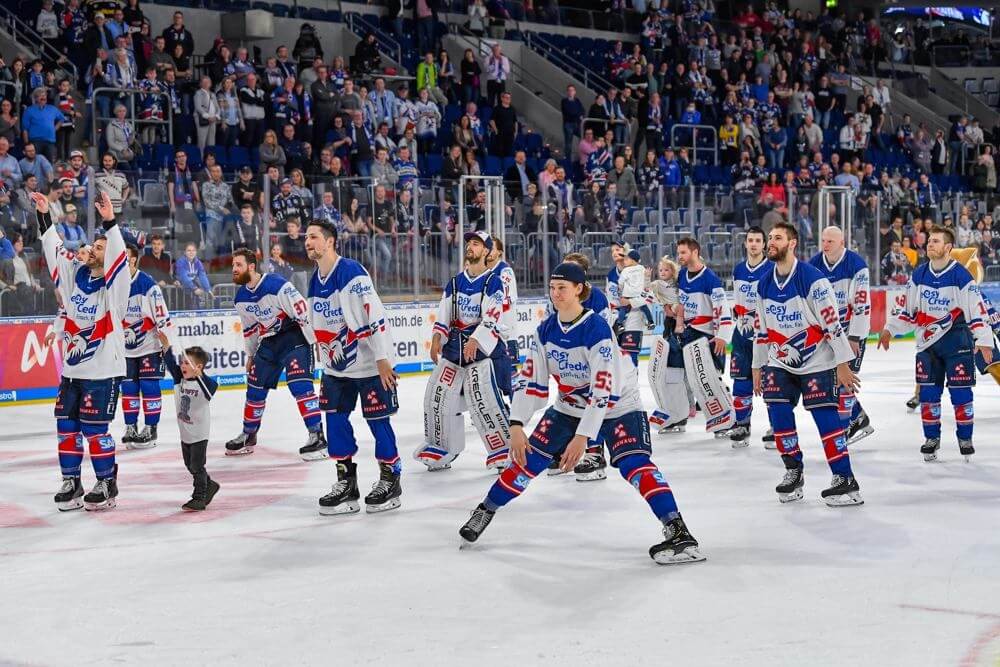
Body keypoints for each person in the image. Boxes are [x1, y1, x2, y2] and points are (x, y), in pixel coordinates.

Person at [458, 262, 705, 566]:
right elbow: (531, 381)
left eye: (562, 288)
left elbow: (603, 390)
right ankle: (485, 509)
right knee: (527, 460)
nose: (555, 294)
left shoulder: (596, 329)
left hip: (619, 406)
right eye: (552, 288)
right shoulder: (545, 330)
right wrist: (517, 423)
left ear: (579, 289)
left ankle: (678, 530)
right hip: (569, 406)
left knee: (634, 464)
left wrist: (582, 437)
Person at [752, 221, 863, 506]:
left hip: (818, 362)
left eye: (778, 238)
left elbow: (832, 323)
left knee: (826, 419)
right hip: (780, 361)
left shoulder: (813, 279)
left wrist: (842, 363)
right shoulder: (763, 284)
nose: (771, 242)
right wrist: (757, 366)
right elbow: (761, 330)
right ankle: (793, 471)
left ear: (792, 243)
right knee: (778, 414)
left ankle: (844, 478)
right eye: (770, 238)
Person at [34, 191, 128, 512]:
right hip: (73, 371)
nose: (93, 250)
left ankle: (106, 482)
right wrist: (44, 216)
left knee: (94, 430)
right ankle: (71, 481)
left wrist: (110, 222)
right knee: (66, 426)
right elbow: (55, 251)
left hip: (103, 372)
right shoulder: (76, 277)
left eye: (100, 248)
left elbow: (119, 258)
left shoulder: (115, 288)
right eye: (94, 246)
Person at [304, 219, 402, 515]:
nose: (307, 242)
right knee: (334, 421)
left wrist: (382, 358)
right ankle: (346, 483)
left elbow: (374, 313)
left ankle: (391, 479)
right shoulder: (315, 279)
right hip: (336, 369)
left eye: (313, 237)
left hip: (370, 365)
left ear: (330, 241)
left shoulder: (351, 272)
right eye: (306, 237)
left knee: (378, 422)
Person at [879, 226, 993, 462]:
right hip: (927, 344)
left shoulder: (961, 276)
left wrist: (984, 340)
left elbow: (977, 311)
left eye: (936, 241)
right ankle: (931, 439)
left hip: (957, 341)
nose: (930, 244)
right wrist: (890, 328)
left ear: (948, 247)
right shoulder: (919, 274)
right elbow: (907, 308)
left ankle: (965, 438)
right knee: (929, 394)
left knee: (961, 393)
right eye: (929, 240)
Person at [414, 231, 510, 472]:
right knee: (437, 397)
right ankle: (440, 447)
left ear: (486, 251)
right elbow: (443, 314)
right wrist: (437, 338)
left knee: (483, 400)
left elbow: (492, 316)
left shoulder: (493, 282)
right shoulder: (455, 283)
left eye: (476, 244)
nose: (470, 247)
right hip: (454, 351)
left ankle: (503, 449)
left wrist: (476, 339)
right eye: (469, 243)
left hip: (482, 354)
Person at [226, 248, 325, 460]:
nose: (234, 269)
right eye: (233, 265)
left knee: (300, 385)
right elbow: (250, 330)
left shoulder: (276, 285)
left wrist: (315, 342)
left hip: (295, 337)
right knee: (254, 387)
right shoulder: (241, 298)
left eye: (238, 265)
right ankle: (249, 434)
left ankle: (317, 435)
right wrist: (250, 356)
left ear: (251, 267)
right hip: (269, 342)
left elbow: (302, 312)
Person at [808, 226, 874, 445]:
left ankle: (844, 428)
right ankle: (858, 417)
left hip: (850, 333)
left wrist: (855, 337)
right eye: (823, 240)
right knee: (832, 381)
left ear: (842, 243)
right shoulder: (814, 264)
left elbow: (862, 304)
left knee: (844, 382)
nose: (825, 245)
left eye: (830, 241)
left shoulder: (857, 265)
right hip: (828, 335)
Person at [676, 237, 734, 434]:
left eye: (683, 252)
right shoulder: (682, 274)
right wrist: (679, 322)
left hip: (706, 336)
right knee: (694, 377)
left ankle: (727, 419)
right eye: (678, 252)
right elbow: (681, 302)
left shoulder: (710, 279)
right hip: (689, 333)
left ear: (695, 252)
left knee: (710, 377)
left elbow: (722, 308)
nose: (679, 256)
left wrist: (722, 336)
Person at [158, 337, 221, 512]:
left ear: (198, 367)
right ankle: (210, 485)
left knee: (197, 466)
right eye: (182, 362)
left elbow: (212, 386)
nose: (182, 366)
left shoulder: (205, 386)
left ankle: (199, 497)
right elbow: (170, 363)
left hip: (199, 434)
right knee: (189, 465)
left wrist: (200, 375)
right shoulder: (180, 380)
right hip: (185, 433)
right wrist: (166, 346)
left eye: (187, 363)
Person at [119, 244, 171, 451]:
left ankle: (151, 428)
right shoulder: (114, 284)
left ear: (133, 259)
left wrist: (166, 345)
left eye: (124, 256)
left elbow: (162, 315)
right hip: (125, 348)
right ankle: (130, 427)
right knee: (128, 388)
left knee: (149, 386)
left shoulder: (148, 284)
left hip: (149, 346)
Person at [727, 226, 771, 448]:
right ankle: (742, 425)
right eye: (750, 240)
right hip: (742, 334)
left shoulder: (772, 268)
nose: (753, 244)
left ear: (764, 245)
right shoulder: (738, 270)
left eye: (757, 240)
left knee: (772, 382)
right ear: (745, 244)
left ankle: (777, 427)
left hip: (767, 335)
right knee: (741, 381)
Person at [615, 248, 654, 368]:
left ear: (632, 260)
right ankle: (650, 321)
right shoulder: (641, 269)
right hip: (622, 323)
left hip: (634, 323)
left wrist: (629, 301)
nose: (624, 261)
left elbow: (648, 297)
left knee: (630, 356)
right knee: (621, 356)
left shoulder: (627, 272)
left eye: (626, 258)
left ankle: (632, 377)